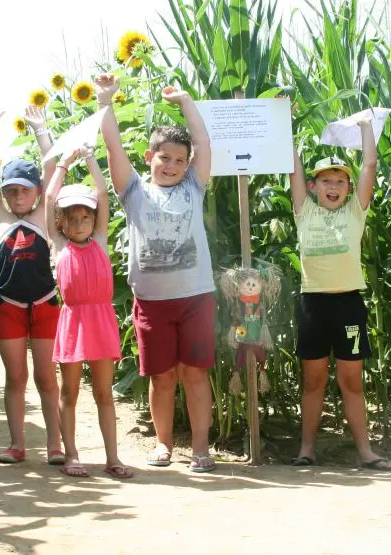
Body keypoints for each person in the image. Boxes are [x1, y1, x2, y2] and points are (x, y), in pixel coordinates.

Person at [93, 73, 218, 473]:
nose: (174, 165)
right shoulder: (133, 190)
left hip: (196, 296)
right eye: (165, 157)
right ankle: (163, 445)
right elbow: (112, 146)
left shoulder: (194, 187)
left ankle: (200, 449)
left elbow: (204, 144)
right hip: (150, 302)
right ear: (149, 158)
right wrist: (104, 102)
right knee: (162, 378)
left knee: (195, 374)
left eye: (181, 160)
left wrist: (186, 103)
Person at [287, 110, 391, 471]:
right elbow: (293, 167)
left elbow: (369, 164)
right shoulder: (304, 211)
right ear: (314, 187)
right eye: (325, 181)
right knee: (314, 380)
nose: (333, 187)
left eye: (340, 181)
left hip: (348, 305)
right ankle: (306, 450)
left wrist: (366, 128)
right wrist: (285, 123)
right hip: (313, 305)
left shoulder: (355, 212)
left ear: (349, 189)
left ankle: (365, 452)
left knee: (352, 381)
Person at [41, 145, 134, 479]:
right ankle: (72, 455)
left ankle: (113, 458)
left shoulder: (100, 239)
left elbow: (102, 193)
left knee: (104, 394)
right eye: (72, 218)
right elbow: (49, 201)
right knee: (69, 391)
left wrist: (92, 159)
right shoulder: (59, 245)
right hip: (73, 322)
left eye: (86, 217)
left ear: (94, 219)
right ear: (61, 223)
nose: (79, 223)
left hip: (101, 320)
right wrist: (63, 165)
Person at [0, 106, 63, 465]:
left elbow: (50, 168)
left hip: (45, 306)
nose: (16, 198)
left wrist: (41, 130)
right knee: (16, 378)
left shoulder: (44, 218)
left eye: (24, 191)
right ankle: (17, 444)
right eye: (10, 191)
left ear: (37, 193)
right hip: (9, 308)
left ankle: (55, 446)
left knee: (47, 379)